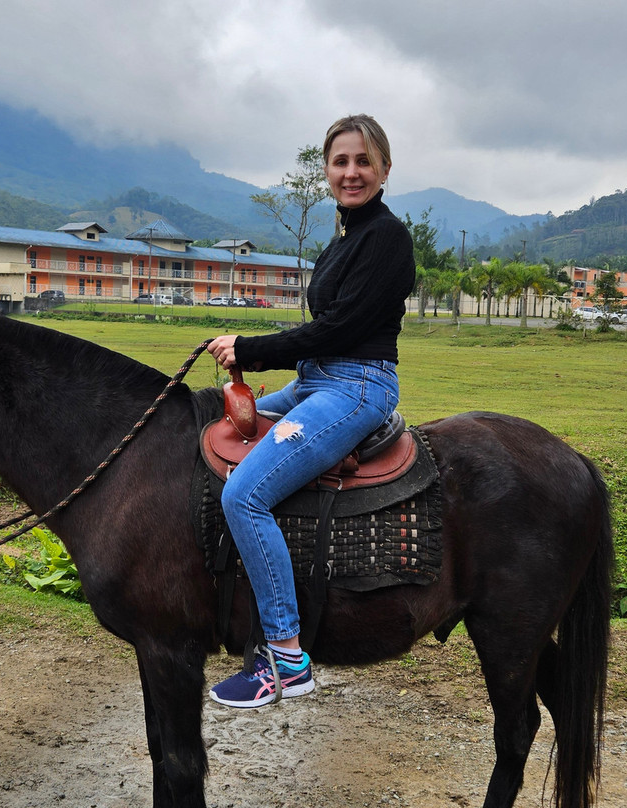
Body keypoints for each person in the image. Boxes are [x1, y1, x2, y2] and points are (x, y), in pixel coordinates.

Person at [206, 114, 416, 708]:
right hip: (315, 381)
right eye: (340, 162)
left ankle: (289, 661)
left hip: (355, 387)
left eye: (362, 161)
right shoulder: (344, 238)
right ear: (326, 170)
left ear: (384, 169)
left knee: (244, 494)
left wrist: (251, 350)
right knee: (211, 431)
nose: (351, 172)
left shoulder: (387, 239)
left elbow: (340, 328)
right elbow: (321, 330)